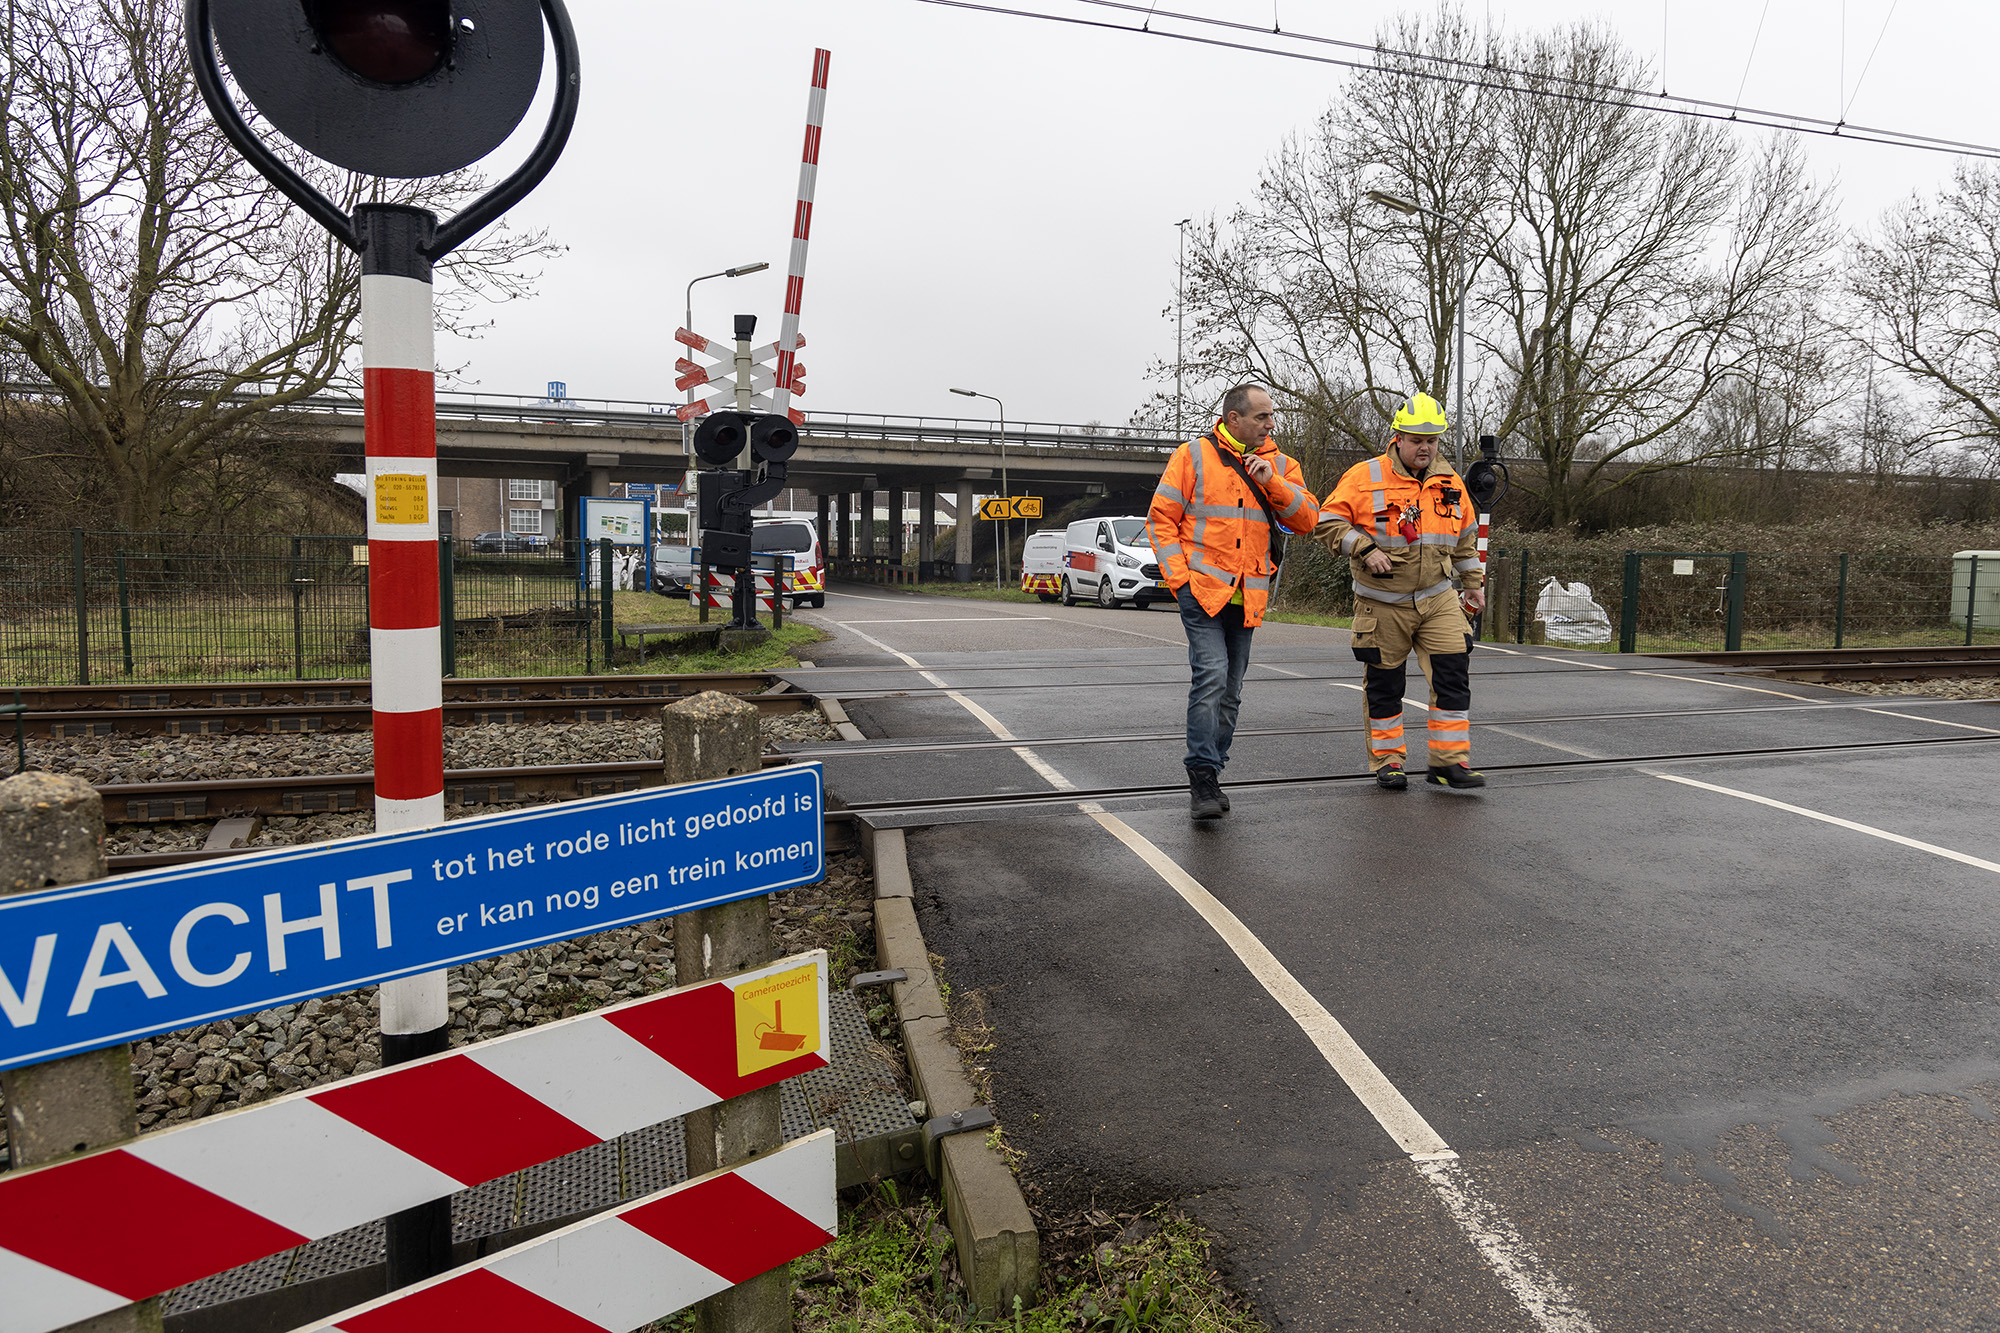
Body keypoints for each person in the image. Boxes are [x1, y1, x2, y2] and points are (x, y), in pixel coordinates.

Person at [1149, 384, 1321, 819]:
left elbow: (1308, 520)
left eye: (1271, 416)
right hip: (1202, 591)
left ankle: (1214, 769)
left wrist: (1275, 483)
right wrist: (1179, 579)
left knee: (1231, 691)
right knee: (1212, 676)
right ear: (1233, 419)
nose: (1271, 423)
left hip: (1249, 597)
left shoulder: (1282, 464)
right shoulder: (1191, 457)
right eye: (1262, 416)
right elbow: (1161, 519)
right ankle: (1202, 777)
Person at [1316, 392, 1487, 790]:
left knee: (1452, 674)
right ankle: (1388, 761)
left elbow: (1464, 540)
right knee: (1385, 684)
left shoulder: (1452, 483)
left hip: (1438, 596)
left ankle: (1448, 763)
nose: (1424, 447)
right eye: (1416, 440)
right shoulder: (1366, 476)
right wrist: (1363, 547)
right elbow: (1325, 521)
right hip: (1382, 603)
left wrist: (1473, 585)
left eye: (1432, 440)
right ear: (1397, 438)